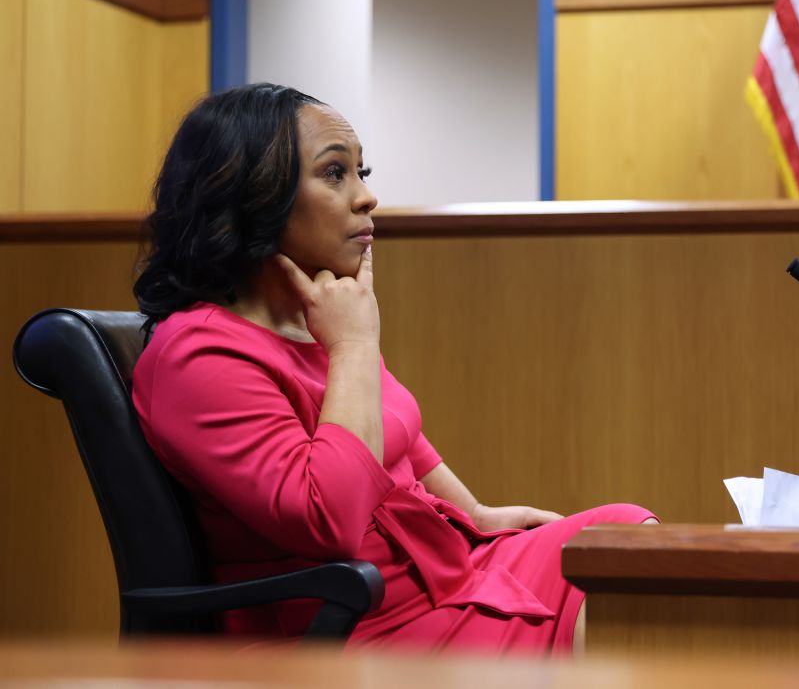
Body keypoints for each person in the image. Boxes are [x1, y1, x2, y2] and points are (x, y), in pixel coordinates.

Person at [131, 83, 657, 654]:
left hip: (438, 578)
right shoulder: (200, 355)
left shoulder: (315, 317)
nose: (367, 198)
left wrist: (476, 512)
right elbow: (327, 518)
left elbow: (402, 436)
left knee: (623, 538)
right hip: (356, 624)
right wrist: (354, 348)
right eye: (336, 174)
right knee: (616, 609)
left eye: (362, 171)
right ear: (252, 195)